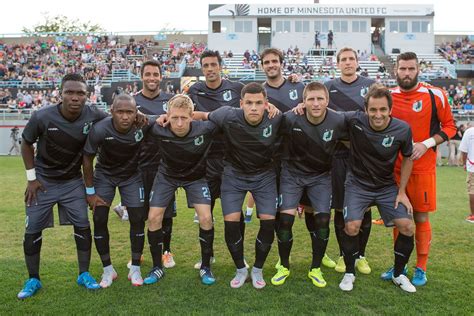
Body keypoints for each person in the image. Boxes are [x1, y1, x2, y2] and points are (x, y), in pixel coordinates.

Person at [17, 74, 106, 299]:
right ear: (60, 93)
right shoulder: (42, 116)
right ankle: (33, 278)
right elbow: (26, 143)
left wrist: (145, 118)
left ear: (87, 95)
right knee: (33, 229)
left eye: (80, 93)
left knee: (83, 225)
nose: (75, 97)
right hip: (42, 182)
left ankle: (84, 274)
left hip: (72, 182)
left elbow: (117, 120)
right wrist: (31, 178)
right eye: (70, 92)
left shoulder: (93, 114)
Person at [196, 82, 281, 289]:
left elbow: (303, 118)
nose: (254, 107)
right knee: (231, 222)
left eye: (258, 103)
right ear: (241, 103)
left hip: (264, 175)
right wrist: (166, 117)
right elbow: (200, 116)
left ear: (266, 104)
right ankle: (241, 268)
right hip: (234, 175)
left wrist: (303, 106)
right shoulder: (227, 114)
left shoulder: (277, 118)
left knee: (269, 221)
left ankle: (258, 269)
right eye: (249, 103)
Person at [382, 52, 456, 286]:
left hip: (423, 169)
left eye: (411, 69)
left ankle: (421, 268)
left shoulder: (436, 95)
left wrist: (426, 144)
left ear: (418, 70)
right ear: (396, 71)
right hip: (395, 170)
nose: (406, 73)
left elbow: (451, 127)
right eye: (402, 69)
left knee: (421, 217)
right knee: (399, 217)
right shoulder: (389, 96)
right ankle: (399, 266)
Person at [260, 48, 336, 270]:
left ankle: (319, 253)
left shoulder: (297, 85)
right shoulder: (260, 94)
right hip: (275, 159)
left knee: (314, 209)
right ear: (262, 66)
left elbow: (314, 102)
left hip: (306, 158)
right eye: (267, 62)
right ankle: (282, 258)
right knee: (280, 212)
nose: (271, 65)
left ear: (282, 63)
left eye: (275, 61)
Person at [339, 84, 416, 293]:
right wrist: (302, 105)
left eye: (383, 109)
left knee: (408, 226)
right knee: (352, 227)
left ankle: (399, 274)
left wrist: (402, 192)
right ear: (366, 109)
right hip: (357, 185)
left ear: (390, 109)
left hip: (386, 187)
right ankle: (349, 272)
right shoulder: (355, 120)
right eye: (373, 109)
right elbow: (326, 114)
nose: (378, 114)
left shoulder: (402, 129)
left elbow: (408, 158)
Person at [271, 82, 347, 287]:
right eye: (311, 99)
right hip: (291, 175)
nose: (315, 103)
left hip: (321, 177)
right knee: (285, 221)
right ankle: (284, 265)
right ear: (303, 102)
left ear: (327, 101)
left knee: (322, 221)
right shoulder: (290, 118)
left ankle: (315, 268)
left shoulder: (339, 120)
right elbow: (269, 127)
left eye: (320, 98)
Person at [144, 94, 217, 286]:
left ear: (192, 116)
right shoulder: (159, 128)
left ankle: (206, 266)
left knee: (206, 218)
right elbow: (139, 117)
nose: (178, 123)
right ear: (167, 115)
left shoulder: (205, 129)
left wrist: (204, 115)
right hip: (167, 176)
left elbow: (227, 117)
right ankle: (156, 267)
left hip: (195, 177)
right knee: (153, 217)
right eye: (174, 117)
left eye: (184, 118)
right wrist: (155, 118)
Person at [82, 95, 154, 287]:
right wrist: (90, 191)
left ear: (136, 112)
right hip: (105, 175)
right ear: (112, 111)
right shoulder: (100, 129)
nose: (124, 116)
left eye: (129, 112)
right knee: (99, 219)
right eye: (120, 112)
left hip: (132, 176)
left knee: (138, 218)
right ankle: (108, 270)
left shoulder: (143, 124)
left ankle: (136, 268)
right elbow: (87, 159)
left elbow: (164, 120)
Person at [187, 50, 244, 269]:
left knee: (234, 213)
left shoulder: (236, 88)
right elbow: (187, 115)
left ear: (220, 66)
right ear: (202, 69)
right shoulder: (195, 90)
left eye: (213, 64)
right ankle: (207, 256)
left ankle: (238, 256)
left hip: (232, 159)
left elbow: (258, 100)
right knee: (205, 214)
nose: (210, 69)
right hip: (206, 160)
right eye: (206, 66)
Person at [324, 47, 375, 274]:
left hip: (364, 157)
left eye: (351, 59)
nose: (347, 62)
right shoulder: (328, 87)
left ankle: (360, 255)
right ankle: (345, 256)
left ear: (357, 62)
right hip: (338, 156)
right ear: (338, 64)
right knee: (339, 207)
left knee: (364, 207)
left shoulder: (370, 86)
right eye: (343, 59)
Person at [134, 60, 177, 269]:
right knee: (139, 213)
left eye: (155, 74)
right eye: (148, 74)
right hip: (138, 166)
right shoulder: (131, 102)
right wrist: (155, 118)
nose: (152, 78)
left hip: (164, 166)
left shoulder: (171, 100)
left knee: (166, 214)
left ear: (161, 77)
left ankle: (166, 252)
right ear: (141, 76)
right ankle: (140, 251)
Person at [460, 125, 474, 223]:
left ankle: (473, 215)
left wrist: (464, 163)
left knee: (472, 190)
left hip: (472, 166)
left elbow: (464, 151)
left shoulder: (469, 132)